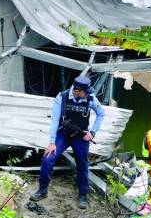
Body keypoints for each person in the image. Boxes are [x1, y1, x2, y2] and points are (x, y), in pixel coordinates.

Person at [30, 75, 104, 209]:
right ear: (76, 90)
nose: (87, 94)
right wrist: (52, 142)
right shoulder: (62, 97)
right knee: (47, 160)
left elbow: (101, 113)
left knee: (82, 163)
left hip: (81, 136)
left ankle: (83, 193)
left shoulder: (91, 98)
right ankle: (42, 190)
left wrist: (92, 132)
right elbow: (55, 120)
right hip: (63, 134)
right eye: (84, 92)